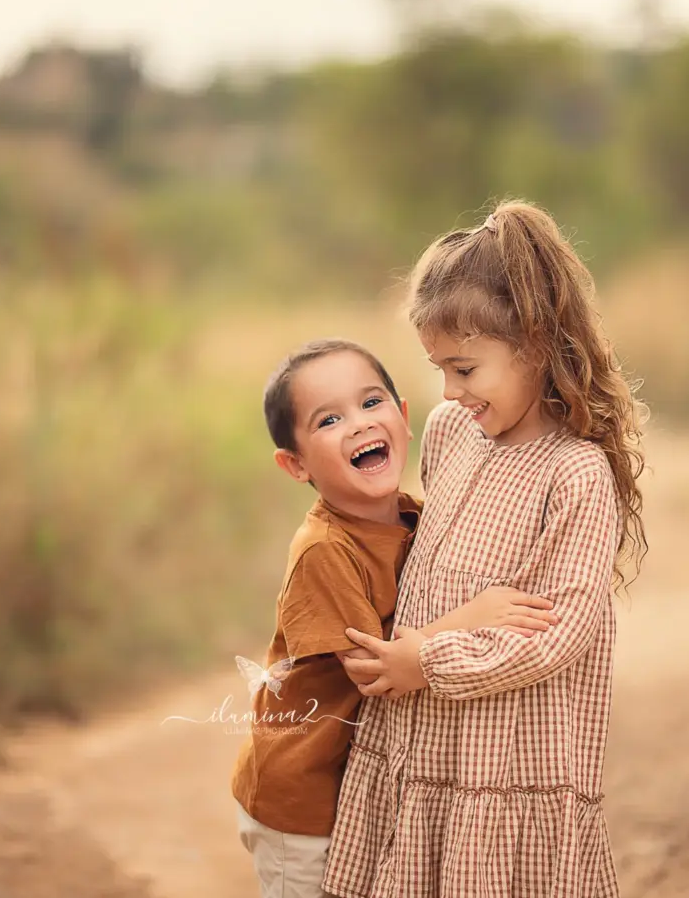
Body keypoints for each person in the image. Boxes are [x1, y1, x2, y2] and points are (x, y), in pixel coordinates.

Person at [324, 201, 648, 898]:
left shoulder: (575, 473)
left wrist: (430, 659)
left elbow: (555, 634)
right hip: (423, 741)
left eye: (465, 368)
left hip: (503, 767)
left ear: (534, 342)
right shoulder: (448, 432)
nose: (449, 390)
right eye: (439, 367)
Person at [230, 337, 564, 898]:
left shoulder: (416, 520)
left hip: (365, 787)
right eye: (329, 419)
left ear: (405, 420)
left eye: (371, 402)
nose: (359, 424)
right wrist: (473, 617)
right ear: (295, 464)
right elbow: (372, 670)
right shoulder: (325, 549)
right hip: (304, 797)